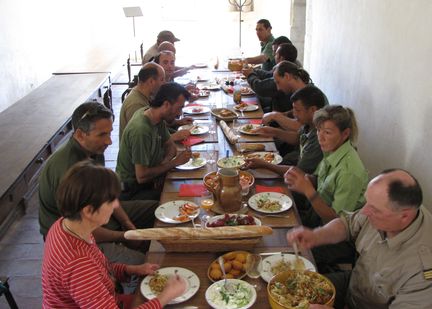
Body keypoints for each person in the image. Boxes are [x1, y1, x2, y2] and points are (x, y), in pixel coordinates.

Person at [42, 161, 186, 308]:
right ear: (88, 210)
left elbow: (99, 268)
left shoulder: (67, 225)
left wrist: (130, 269)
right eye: (111, 200)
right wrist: (165, 296)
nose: (116, 205)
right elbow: (86, 272)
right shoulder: (78, 263)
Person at [287, 169, 432, 309]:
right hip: (356, 283)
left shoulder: (421, 269)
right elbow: (348, 224)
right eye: (367, 202)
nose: (364, 211)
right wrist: (317, 235)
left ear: (404, 216)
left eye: (374, 209)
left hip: (369, 303)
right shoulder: (384, 210)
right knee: (291, 289)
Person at [39, 102, 158, 265]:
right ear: (80, 135)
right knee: (141, 261)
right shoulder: (67, 170)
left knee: (156, 210)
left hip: (95, 214)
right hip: (74, 237)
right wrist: (124, 235)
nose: (109, 141)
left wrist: (127, 223)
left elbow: (107, 196)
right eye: (102, 135)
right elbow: (83, 227)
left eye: (110, 133)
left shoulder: (93, 151)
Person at [284, 105, 368, 271]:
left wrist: (308, 190)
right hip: (316, 216)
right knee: (283, 219)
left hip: (342, 239)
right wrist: (310, 180)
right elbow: (323, 182)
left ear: (345, 134)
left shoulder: (350, 171)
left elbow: (337, 221)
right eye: (318, 130)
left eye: (327, 132)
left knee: (293, 250)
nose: (320, 138)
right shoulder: (332, 150)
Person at [116, 82, 192, 201]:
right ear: (166, 104)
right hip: (131, 191)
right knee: (177, 199)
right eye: (179, 108)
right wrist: (173, 163)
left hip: (147, 182)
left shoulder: (156, 116)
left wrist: (161, 168)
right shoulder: (141, 130)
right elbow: (141, 176)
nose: (180, 114)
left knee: (185, 189)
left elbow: (171, 148)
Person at [245, 85, 325, 175]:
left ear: (312, 110)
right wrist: (274, 132)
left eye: (298, 110)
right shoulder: (308, 124)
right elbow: (297, 138)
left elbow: (299, 173)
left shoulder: (319, 136)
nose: (294, 114)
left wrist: (265, 165)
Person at [243, 41, 298, 113]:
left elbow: (260, 88)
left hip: (278, 112)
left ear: (281, 58)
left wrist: (250, 75)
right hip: (276, 108)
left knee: (251, 102)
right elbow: (268, 75)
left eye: (275, 54)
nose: (273, 55)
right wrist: (252, 71)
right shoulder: (289, 66)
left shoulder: (285, 73)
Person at [119, 63, 165, 140]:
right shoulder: (136, 104)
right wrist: (173, 137)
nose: (164, 83)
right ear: (151, 82)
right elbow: (141, 138)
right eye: (162, 79)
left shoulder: (145, 94)